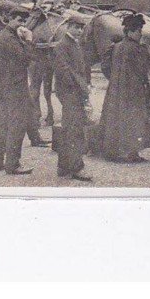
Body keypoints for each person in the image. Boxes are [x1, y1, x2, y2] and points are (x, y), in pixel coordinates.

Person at [0, 5, 37, 174]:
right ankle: (13, 165)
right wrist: (29, 39)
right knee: (17, 125)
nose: (22, 24)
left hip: (4, 88)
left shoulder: (7, 35)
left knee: (2, 125)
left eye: (24, 21)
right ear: (11, 19)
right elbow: (25, 58)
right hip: (13, 88)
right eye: (19, 20)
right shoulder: (9, 38)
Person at [99, 13, 150, 163]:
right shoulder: (138, 49)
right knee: (134, 119)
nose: (140, 34)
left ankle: (116, 151)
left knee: (116, 117)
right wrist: (149, 55)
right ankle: (131, 153)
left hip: (116, 89)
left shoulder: (116, 47)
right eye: (138, 31)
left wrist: (113, 79)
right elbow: (142, 69)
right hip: (134, 90)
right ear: (130, 31)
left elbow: (105, 66)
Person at [52, 12, 93, 182]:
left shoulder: (76, 45)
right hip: (70, 92)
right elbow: (65, 72)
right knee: (74, 130)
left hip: (75, 91)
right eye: (75, 27)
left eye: (81, 28)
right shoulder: (62, 46)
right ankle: (77, 168)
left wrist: (86, 85)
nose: (78, 31)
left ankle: (63, 167)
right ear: (68, 27)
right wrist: (82, 88)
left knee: (68, 129)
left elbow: (81, 69)